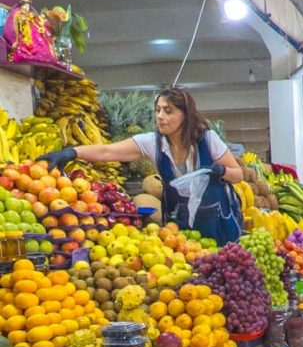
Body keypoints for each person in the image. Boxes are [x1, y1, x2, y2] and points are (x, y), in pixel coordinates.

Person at [38, 86, 244, 245]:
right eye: (158, 110)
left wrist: (222, 171)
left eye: (168, 111)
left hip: (218, 222)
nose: (160, 116)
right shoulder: (153, 143)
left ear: (185, 115)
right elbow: (108, 151)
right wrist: (72, 152)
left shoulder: (207, 139)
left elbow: (239, 174)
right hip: (181, 228)